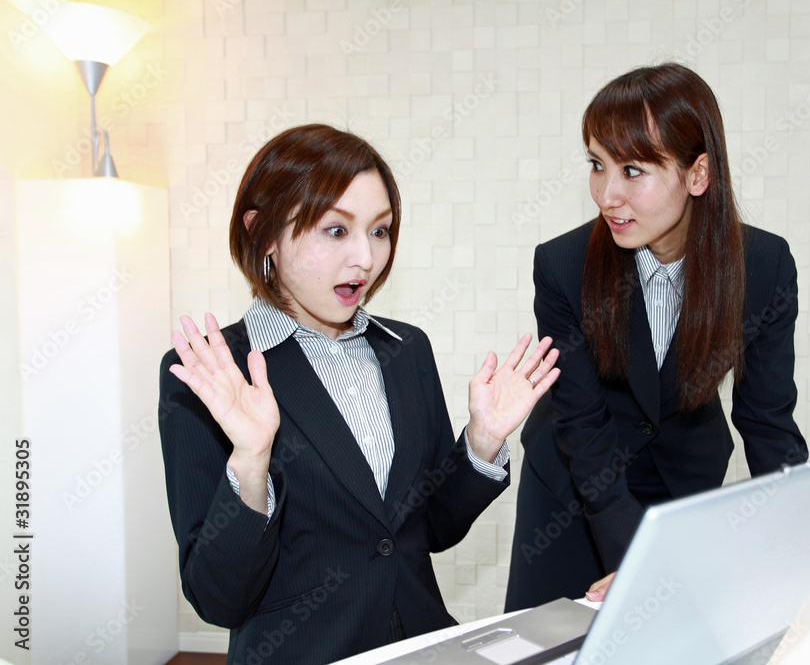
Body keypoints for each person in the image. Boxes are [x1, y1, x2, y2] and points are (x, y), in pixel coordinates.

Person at [505, 64, 810, 612]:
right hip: (573, 496)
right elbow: (582, 425)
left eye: (632, 170)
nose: (607, 194)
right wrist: (632, 557)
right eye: (597, 165)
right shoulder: (562, 265)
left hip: (682, 494)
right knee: (556, 643)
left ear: (698, 174)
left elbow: (768, 423)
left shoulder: (763, 266)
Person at [159, 124, 559, 664]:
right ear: (263, 234)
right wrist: (250, 464)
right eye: (335, 230)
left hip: (421, 647)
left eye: (380, 230)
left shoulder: (406, 349)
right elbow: (217, 597)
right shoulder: (209, 372)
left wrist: (482, 442)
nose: (366, 259)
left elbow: (428, 529)